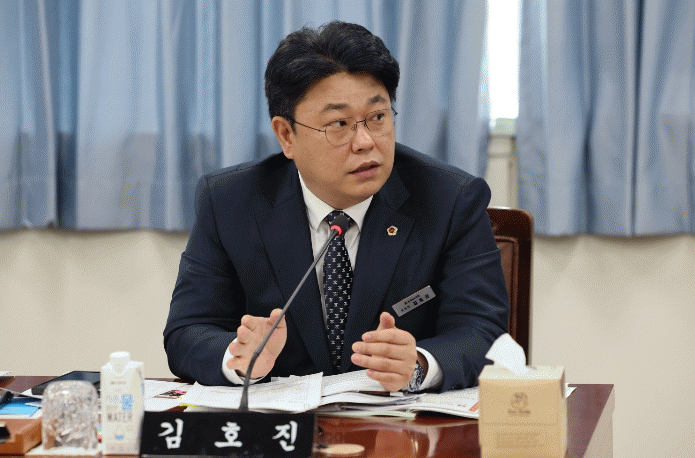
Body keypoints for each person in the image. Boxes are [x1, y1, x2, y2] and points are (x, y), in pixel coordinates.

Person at [164, 21, 509, 393]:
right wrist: (239, 356)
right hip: (283, 422)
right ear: (286, 135)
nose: (365, 142)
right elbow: (188, 330)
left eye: (378, 117)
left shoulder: (450, 200)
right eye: (339, 124)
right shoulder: (230, 202)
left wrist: (420, 364)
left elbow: (482, 330)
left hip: (397, 423)